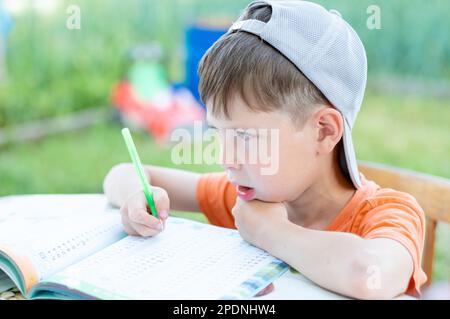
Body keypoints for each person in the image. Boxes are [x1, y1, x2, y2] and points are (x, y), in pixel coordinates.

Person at [103, 1, 426, 299]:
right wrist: (137, 197)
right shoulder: (249, 196)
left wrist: (271, 232)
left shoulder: (389, 214)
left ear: (324, 131)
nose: (225, 158)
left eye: (245, 135)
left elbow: (369, 274)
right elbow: (123, 174)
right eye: (219, 131)